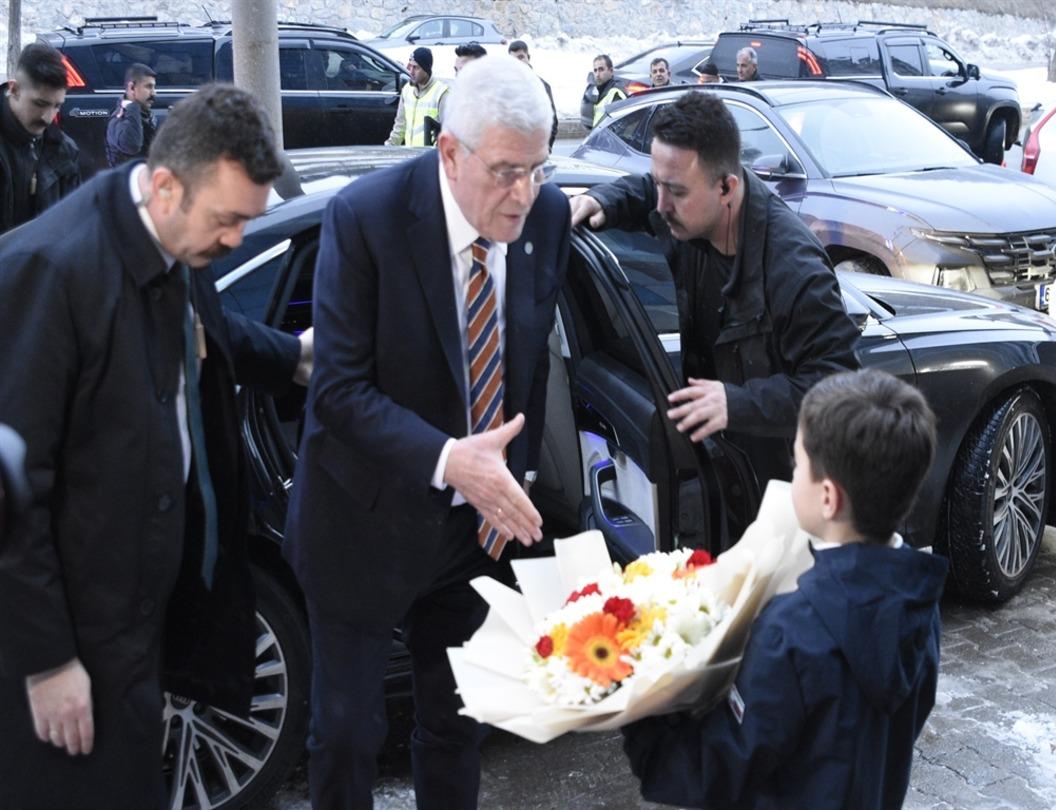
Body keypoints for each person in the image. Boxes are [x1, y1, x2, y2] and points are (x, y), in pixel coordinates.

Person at [0, 83, 313, 810]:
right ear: (167, 185)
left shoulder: (169, 237)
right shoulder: (50, 273)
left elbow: (208, 335)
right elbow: (14, 498)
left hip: (142, 626)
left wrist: (293, 357)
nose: (236, 239)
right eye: (229, 220)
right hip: (70, 641)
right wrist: (47, 664)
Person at [284, 54, 570, 810]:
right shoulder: (366, 217)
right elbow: (338, 392)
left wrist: (513, 482)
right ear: (450, 151)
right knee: (346, 735)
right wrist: (452, 460)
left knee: (459, 726)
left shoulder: (548, 216)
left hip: (474, 535)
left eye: (539, 168)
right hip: (361, 524)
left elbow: (528, 369)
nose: (525, 193)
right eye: (507, 171)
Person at [623, 368, 950, 809]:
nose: (792, 475)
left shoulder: (790, 632)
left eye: (798, 466)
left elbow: (716, 770)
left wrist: (641, 706)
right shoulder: (920, 602)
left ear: (828, 497)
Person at [570, 91, 859, 486]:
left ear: (726, 187)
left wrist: (737, 403)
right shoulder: (689, 213)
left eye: (676, 192)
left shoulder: (794, 270)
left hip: (783, 492)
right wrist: (601, 199)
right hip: (721, 475)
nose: (661, 205)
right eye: (659, 185)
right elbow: (645, 191)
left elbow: (840, 390)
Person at [0, 42, 80, 233]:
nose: (48, 117)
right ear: (15, 89)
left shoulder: (65, 152)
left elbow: (72, 229)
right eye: (40, 104)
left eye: (57, 106)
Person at [385, 47, 449, 147]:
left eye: (416, 67)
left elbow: (447, 132)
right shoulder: (407, 90)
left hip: (430, 157)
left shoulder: (441, 92)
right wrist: (388, 149)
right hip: (410, 155)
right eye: (410, 66)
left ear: (426, 69)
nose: (411, 71)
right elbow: (400, 126)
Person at [105, 62, 157, 166]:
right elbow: (132, 145)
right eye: (149, 87)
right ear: (132, 88)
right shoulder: (120, 119)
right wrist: (132, 106)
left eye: (154, 87)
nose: (154, 93)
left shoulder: (144, 114)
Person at [509, 39, 558, 146]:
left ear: (528, 58)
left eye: (521, 57)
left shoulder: (542, 86)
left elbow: (552, 122)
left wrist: (546, 148)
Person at [589, 53, 627, 128]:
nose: (597, 74)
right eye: (595, 70)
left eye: (601, 69)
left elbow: (618, 127)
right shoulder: (601, 91)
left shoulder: (616, 93)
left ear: (611, 71)